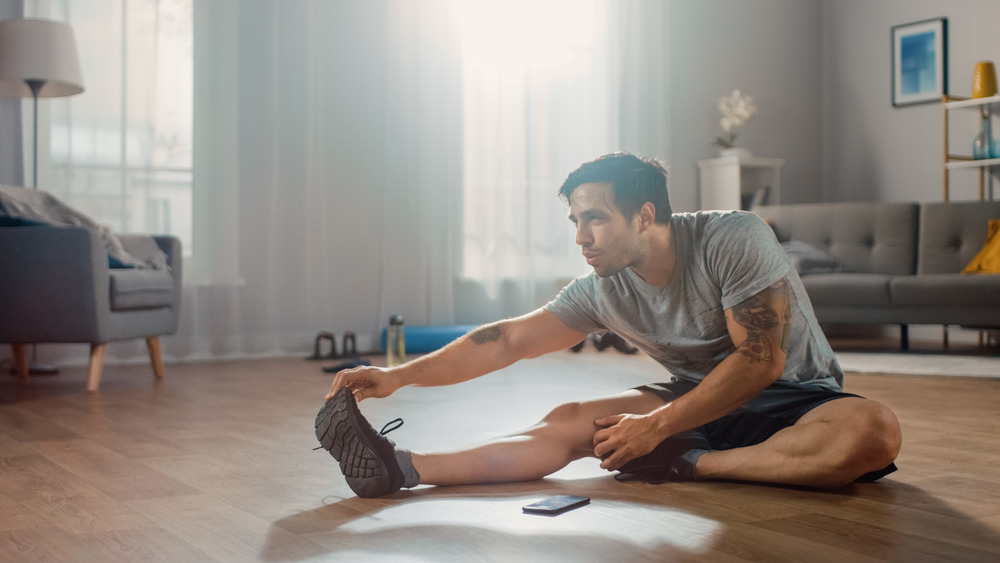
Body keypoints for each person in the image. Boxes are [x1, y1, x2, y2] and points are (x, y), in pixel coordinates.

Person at [317, 152, 902, 498]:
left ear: (645, 215)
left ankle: (689, 465)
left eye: (594, 218)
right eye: (575, 219)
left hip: (797, 400)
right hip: (697, 402)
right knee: (569, 421)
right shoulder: (603, 286)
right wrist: (398, 377)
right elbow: (507, 341)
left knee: (872, 430)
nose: (580, 237)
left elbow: (761, 360)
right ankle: (405, 469)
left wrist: (657, 431)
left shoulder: (733, 237)